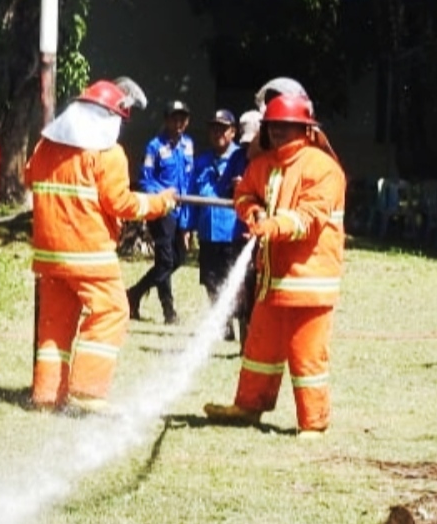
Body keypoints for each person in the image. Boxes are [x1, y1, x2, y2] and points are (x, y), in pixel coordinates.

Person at [24, 78, 178, 413]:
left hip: (50, 254)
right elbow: (120, 203)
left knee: (55, 323)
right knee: (112, 311)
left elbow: (28, 177)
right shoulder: (109, 154)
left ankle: (47, 395)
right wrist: (160, 203)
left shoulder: (45, 145)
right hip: (89, 252)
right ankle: (87, 391)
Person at [203, 91, 345, 439]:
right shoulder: (263, 165)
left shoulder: (323, 169)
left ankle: (312, 422)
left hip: (309, 283)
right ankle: (248, 406)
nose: (278, 133)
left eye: (287, 127)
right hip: (272, 280)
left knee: (306, 356)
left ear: (306, 129)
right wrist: (251, 212)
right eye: (274, 127)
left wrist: (273, 226)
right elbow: (245, 194)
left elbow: (308, 218)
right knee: (258, 350)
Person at [179, 109, 249, 342]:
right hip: (208, 233)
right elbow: (190, 194)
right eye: (214, 128)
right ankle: (223, 325)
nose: (217, 133)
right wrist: (186, 227)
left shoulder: (242, 158)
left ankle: (242, 327)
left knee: (236, 282)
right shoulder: (202, 162)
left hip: (232, 232)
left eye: (223, 128)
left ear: (233, 132)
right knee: (210, 281)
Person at [127, 99, 194, 324]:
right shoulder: (154, 147)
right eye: (174, 118)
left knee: (179, 259)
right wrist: (163, 195)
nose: (178, 123)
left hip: (181, 211)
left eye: (182, 118)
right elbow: (145, 180)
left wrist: (187, 219)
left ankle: (134, 293)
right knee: (165, 261)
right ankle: (168, 311)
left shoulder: (189, 146)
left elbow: (188, 178)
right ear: (166, 121)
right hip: (162, 210)